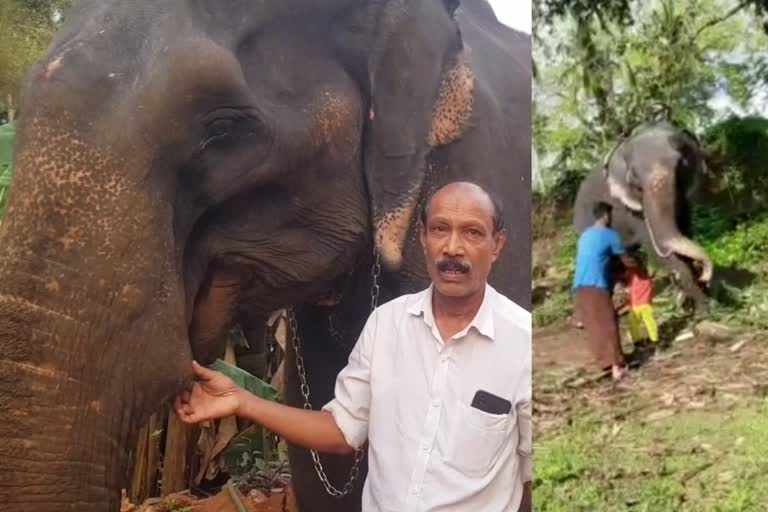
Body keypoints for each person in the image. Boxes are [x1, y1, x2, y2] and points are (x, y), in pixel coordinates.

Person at [175, 182, 532, 512]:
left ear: (497, 243)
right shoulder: (386, 326)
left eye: (472, 232)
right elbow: (341, 430)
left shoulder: (524, 344)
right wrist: (242, 400)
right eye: (440, 229)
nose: (453, 248)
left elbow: (531, 476)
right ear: (422, 237)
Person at [572, 202, 634, 382]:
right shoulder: (609, 235)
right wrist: (640, 267)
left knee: (593, 326)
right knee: (608, 323)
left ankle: (605, 362)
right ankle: (617, 367)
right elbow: (625, 260)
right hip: (596, 283)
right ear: (606, 216)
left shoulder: (585, 235)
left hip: (580, 284)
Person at [618, 250, 659, 345]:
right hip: (644, 303)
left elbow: (623, 280)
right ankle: (653, 339)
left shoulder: (631, 273)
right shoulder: (645, 274)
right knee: (649, 322)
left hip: (636, 304)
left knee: (634, 324)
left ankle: (638, 341)